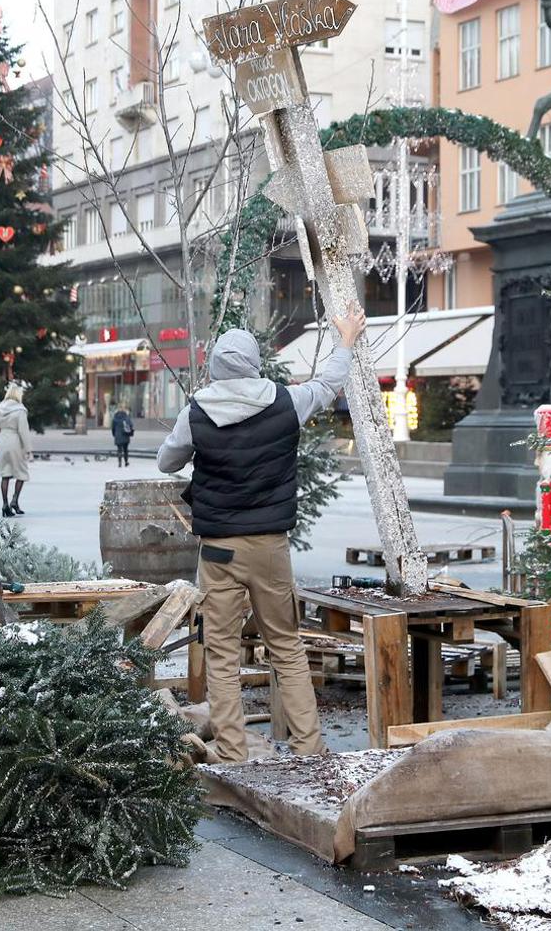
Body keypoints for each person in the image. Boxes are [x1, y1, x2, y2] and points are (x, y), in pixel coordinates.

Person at [157, 308, 366, 763]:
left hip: (219, 551)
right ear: (256, 364)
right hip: (271, 547)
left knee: (223, 655)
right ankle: (309, 749)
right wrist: (345, 339)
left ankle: (232, 756)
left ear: (215, 366)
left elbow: (166, 462)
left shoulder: (196, 412)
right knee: (286, 647)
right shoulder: (287, 401)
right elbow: (330, 383)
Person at [0, 383, 33, 517]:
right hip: (15, 440)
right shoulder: (20, 410)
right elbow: (23, 431)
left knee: (5, 474)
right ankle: (15, 500)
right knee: (21, 472)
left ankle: (5, 504)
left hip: (2, 440)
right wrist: (28, 449)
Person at [111, 403, 134, 467]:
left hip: (118, 436)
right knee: (125, 450)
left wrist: (114, 434)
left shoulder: (115, 417)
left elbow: (113, 428)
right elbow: (131, 425)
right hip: (125, 435)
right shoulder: (126, 417)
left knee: (119, 450)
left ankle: (119, 462)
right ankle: (126, 462)